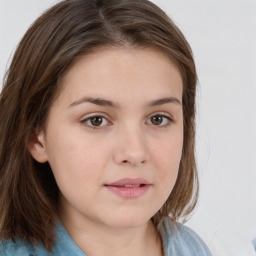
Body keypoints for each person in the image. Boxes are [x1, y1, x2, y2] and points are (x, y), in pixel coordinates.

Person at [0, 0, 212, 255]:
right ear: (36, 137)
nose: (134, 153)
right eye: (96, 120)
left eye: (158, 119)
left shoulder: (192, 248)